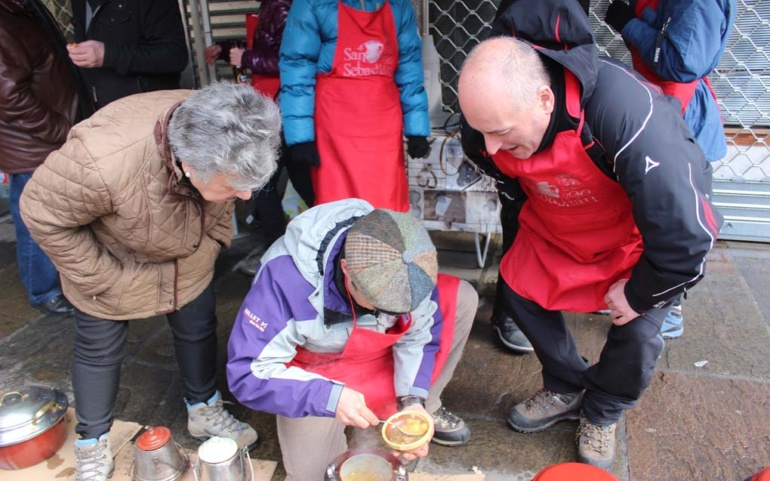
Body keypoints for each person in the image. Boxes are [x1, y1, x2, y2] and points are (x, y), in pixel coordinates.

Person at [458, 0, 722, 470]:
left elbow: (685, 234)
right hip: (557, 223)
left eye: (501, 133)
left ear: (544, 100)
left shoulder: (625, 111)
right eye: (482, 133)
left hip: (631, 239)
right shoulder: (484, 128)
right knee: (516, 287)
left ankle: (603, 409)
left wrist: (640, 293)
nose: (490, 148)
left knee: (638, 331)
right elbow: (511, 191)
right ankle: (565, 384)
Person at [20, 82, 281, 481]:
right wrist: (101, 277)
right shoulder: (101, 160)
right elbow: (40, 212)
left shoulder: (226, 125)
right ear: (190, 166)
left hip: (187, 251)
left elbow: (228, 195)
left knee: (198, 328)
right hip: (113, 258)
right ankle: (92, 442)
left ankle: (204, 409)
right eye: (232, 186)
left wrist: (214, 241)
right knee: (98, 351)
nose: (245, 196)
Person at [227, 199, 477, 481]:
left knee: (462, 298)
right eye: (381, 305)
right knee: (315, 474)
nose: (393, 315)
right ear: (346, 269)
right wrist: (327, 397)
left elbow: (419, 334)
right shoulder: (284, 279)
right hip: (315, 370)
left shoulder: (411, 264)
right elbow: (247, 373)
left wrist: (412, 400)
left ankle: (425, 407)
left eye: (399, 309)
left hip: (379, 350)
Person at [459, 0, 592, 354]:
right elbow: (476, 138)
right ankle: (510, 312)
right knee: (521, 223)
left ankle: (586, 288)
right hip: (516, 122)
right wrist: (509, 179)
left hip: (559, 117)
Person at [604, 0, 736, 338]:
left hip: (682, 114)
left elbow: (683, 62)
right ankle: (646, 297)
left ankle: (666, 307)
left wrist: (629, 24)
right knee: (650, 211)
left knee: (674, 216)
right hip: (661, 107)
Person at [279, 0, 432, 211]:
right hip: (334, 126)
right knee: (338, 207)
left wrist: (417, 130)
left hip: (384, 127)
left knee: (385, 204)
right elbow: (297, 66)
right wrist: (301, 138)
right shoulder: (312, 3)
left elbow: (410, 66)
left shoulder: (399, 4)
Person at [204, 0, 315, 276]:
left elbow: (292, 59)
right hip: (282, 111)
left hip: (282, 111)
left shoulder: (283, 7)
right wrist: (227, 49)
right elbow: (268, 45)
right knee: (298, 181)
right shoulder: (274, 6)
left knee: (266, 184)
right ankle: (319, 239)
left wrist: (246, 59)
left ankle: (279, 252)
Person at [0, 0, 89, 316]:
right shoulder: (4, 20)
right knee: (35, 222)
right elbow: (9, 96)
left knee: (51, 217)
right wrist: (61, 129)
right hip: (32, 145)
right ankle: (44, 291)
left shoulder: (21, 9)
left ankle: (55, 283)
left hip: (43, 139)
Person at [68, 0, 189, 110]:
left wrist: (108, 55)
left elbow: (175, 55)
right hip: (101, 112)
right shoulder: (79, 3)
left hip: (149, 110)